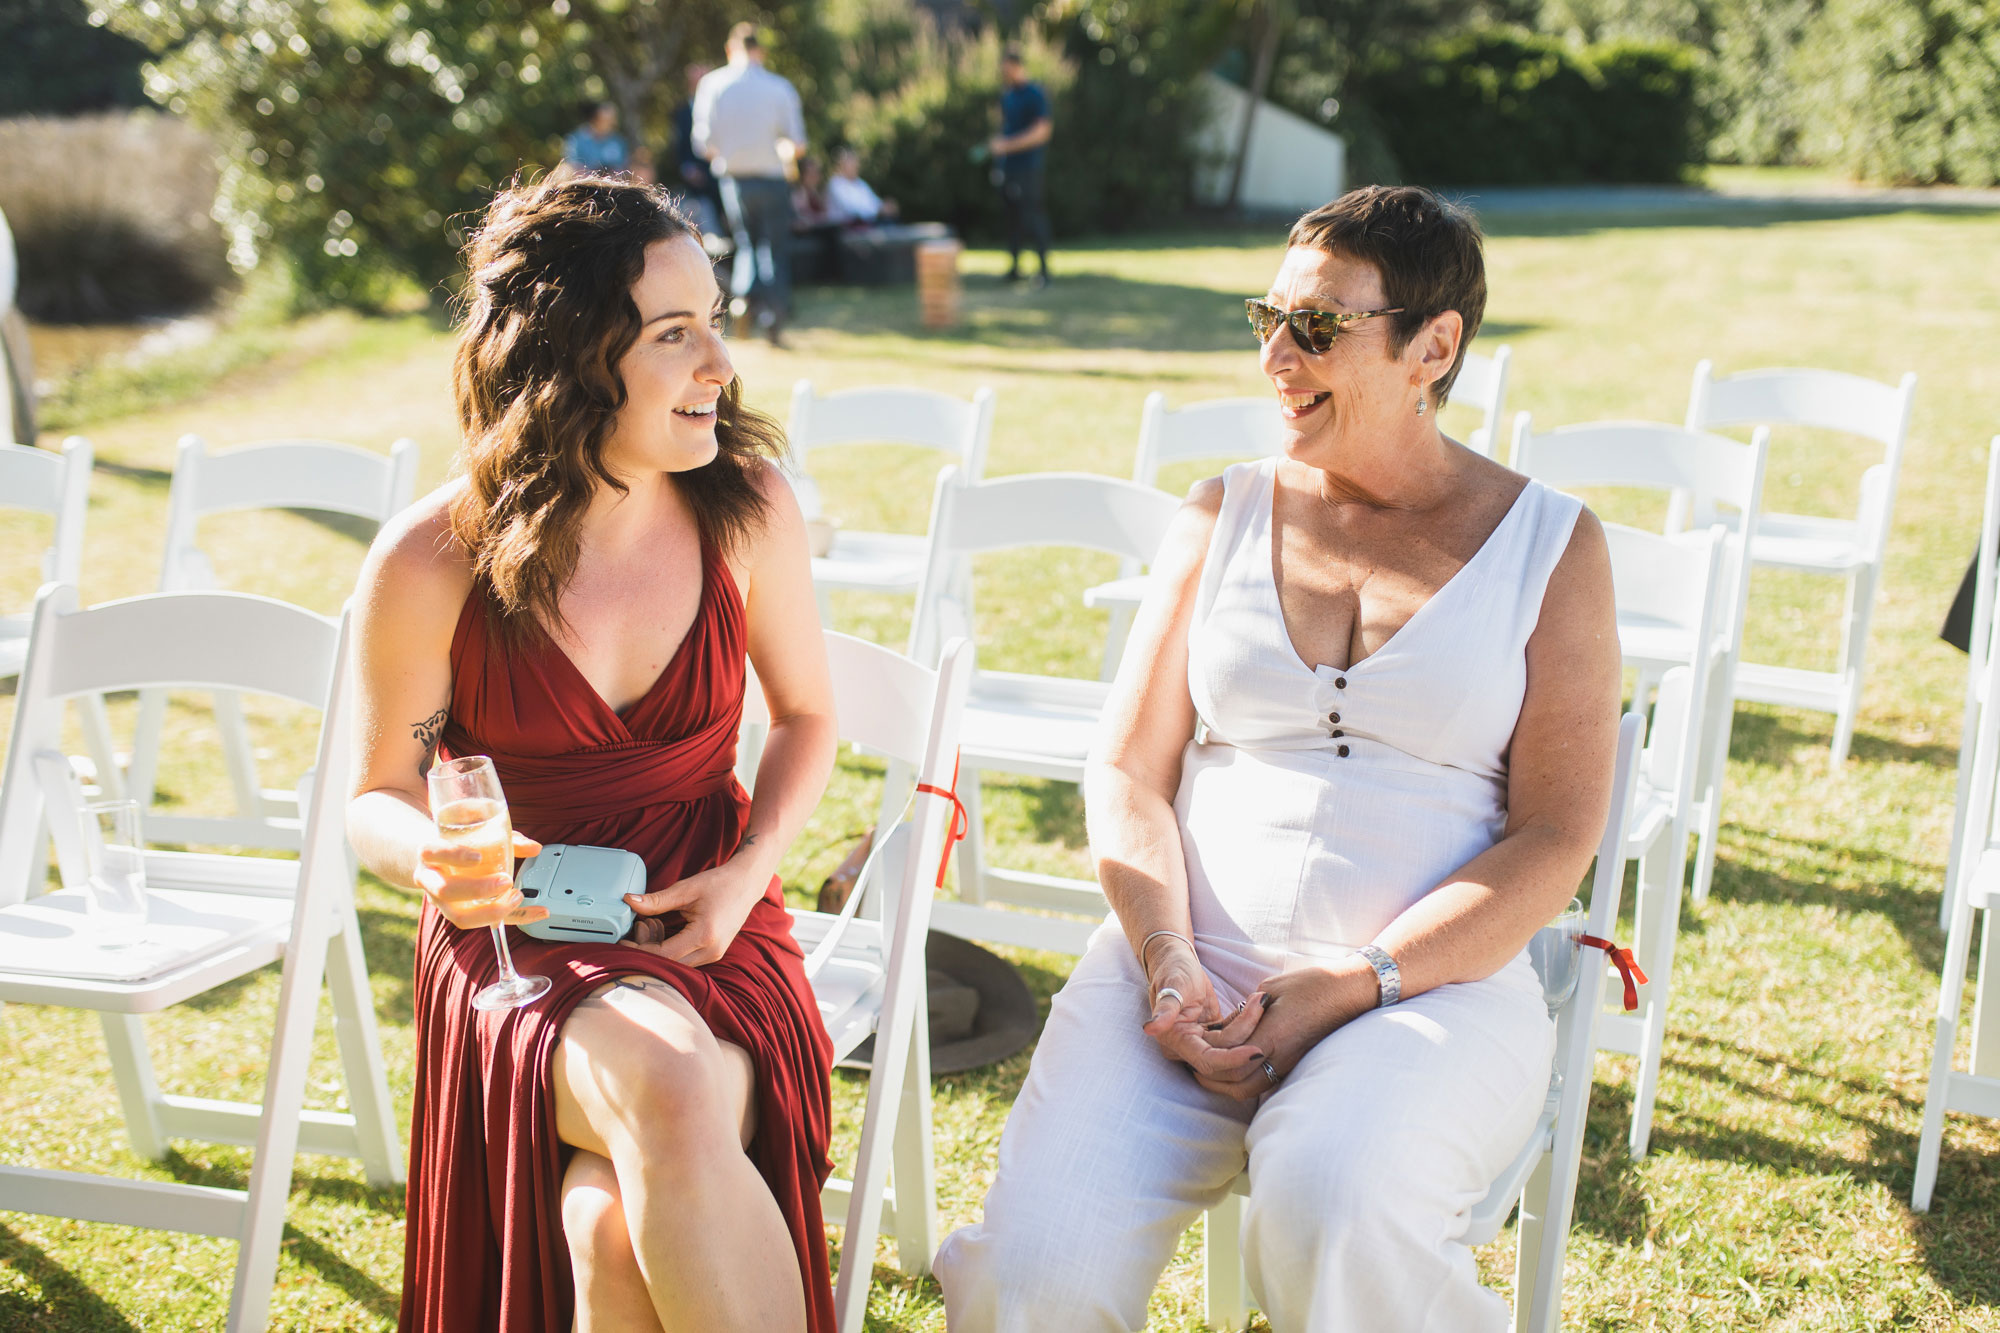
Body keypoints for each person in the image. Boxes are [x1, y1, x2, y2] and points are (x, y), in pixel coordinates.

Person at [933, 185, 1621, 1331]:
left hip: (1424, 996)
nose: (1272, 356)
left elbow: (1557, 834)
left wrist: (1360, 981)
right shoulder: (1222, 512)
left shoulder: (1551, 545)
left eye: (1314, 326)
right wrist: (1163, 961)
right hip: (1177, 981)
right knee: (1031, 1278)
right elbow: (1124, 773)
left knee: (1331, 1198)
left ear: (1431, 346)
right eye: (1266, 315)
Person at [347, 173, 840, 1333]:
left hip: (710, 913)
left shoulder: (749, 506)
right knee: (666, 1088)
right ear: (570, 356)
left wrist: (748, 870)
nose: (720, 361)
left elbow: (808, 716)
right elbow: (378, 793)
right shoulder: (431, 558)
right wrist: (437, 861)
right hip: (514, 938)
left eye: (715, 319)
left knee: (612, 1229)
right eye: (676, 334)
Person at [693, 23, 807, 346]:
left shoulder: (712, 84)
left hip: (734, 179)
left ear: (730, 49)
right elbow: (797, 143)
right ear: (761, 51)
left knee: (745, 243)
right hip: (772, 177)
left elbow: (703, 144)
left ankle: (742, 302)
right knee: (772, 248)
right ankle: (772, 315)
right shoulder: (779, 87)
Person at [990, 48, 1052, 289]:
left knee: (1033, 217)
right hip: (1008, 168)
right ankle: (1015, 268)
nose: (1004, 73)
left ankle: (1044, 271)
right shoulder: (1007, 96)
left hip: (1029, 168)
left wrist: (1007, 145)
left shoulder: (1035, 94)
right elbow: (1006, 129)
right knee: (1012, 218)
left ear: (1017, 66)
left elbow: (1042, 132)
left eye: (1008, 68)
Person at [671, 63, 725, 237]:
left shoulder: (722, 108)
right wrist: (688, 168)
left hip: (721, 171)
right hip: (697, 178)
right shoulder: (682, 112)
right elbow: (680, 145)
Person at [825, 147, 896, 225]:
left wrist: (886, 206)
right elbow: (850, 210)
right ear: (842, 165)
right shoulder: (836, 184)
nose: (855, 167)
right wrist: (878, 210)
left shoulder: (861, 183)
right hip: (845, 228)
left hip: (866, 224)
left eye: (856, 164)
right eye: (851, 164)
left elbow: (874, 202)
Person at [562, 101, 631, 176]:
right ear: (595, 118)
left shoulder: (618, 141)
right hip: (583, 182)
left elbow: (623, 166)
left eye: (612, 120)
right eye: (606, 120)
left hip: (613, 183)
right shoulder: (576, 139)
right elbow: (571, 164)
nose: (613, 123)